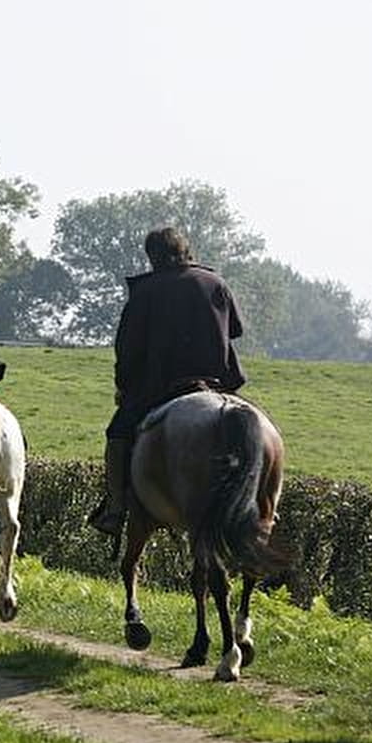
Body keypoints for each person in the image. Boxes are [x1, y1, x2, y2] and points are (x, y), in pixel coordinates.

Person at [88, 226, 246, 536]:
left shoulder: (146, 290)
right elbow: (235, 330)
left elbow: (128, 348)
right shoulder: (216, 283)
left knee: (117, 434)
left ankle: (115, 509)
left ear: (152, 256)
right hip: (217, 384)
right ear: (186, 250)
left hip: (161, 387)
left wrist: (124, 386)